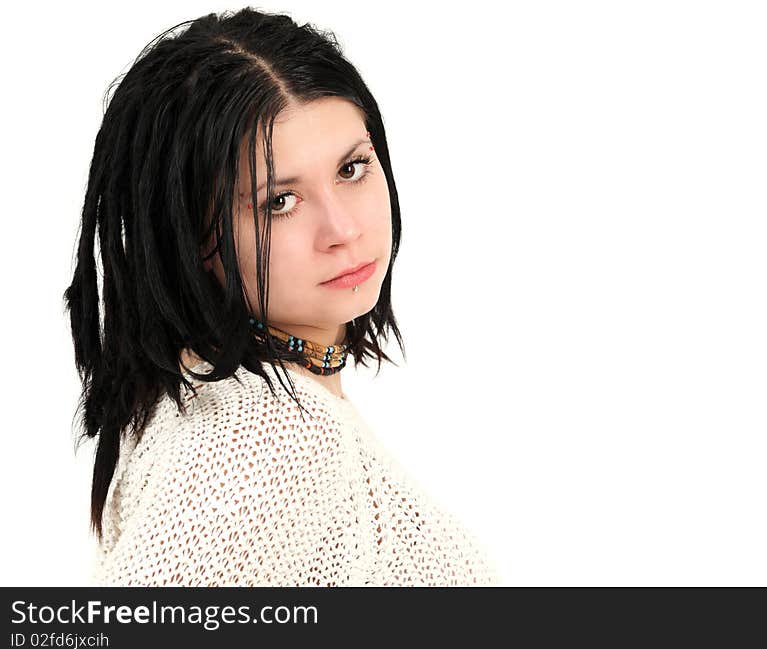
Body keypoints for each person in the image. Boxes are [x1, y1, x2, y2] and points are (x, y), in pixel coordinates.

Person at [64, 7, 501, 587]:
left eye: (352, 168)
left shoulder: (218, 397)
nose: (343, 228)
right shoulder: (268, 433)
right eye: (279, 202)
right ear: (194, 237)